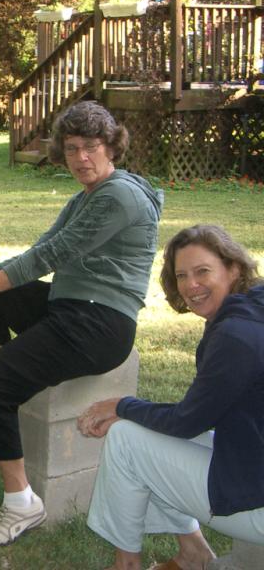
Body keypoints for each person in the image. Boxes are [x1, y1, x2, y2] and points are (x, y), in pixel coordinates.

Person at [0, 101, 163, 547]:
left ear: (111, 147)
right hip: (69, 307)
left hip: (100, 325)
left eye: (90, 147)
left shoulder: (120, 196)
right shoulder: (85, 197)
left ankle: (21, 503)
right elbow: (40, 249)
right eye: (71, 148)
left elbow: (54, 255)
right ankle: (14, 369)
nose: (80, 157)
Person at [79, 225, 264, 570]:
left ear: (233, 269)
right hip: (252, 458)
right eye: (182, 275)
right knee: (149, 434)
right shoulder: (253, 310)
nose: (191, 285)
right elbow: (198, 413)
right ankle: (193, 553)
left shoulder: (236, 336)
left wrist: (121, 405)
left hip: (256, 503)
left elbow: (185, 422)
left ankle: (126, 564)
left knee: (127, 439)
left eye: (202, 271)